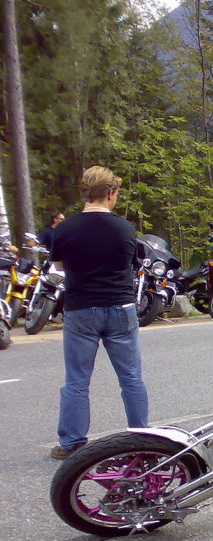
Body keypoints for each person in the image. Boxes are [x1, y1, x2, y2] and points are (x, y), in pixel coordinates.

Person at [50, 166, 148, 458]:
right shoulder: (125, 228)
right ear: (110, 194)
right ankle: (141, 439)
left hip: (81, 309)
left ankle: (72, 443)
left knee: (77, 380)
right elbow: (132, 265)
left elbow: (58, 266)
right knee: (131, 377)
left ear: (84, 193)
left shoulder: (65, 229)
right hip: (120, 307)